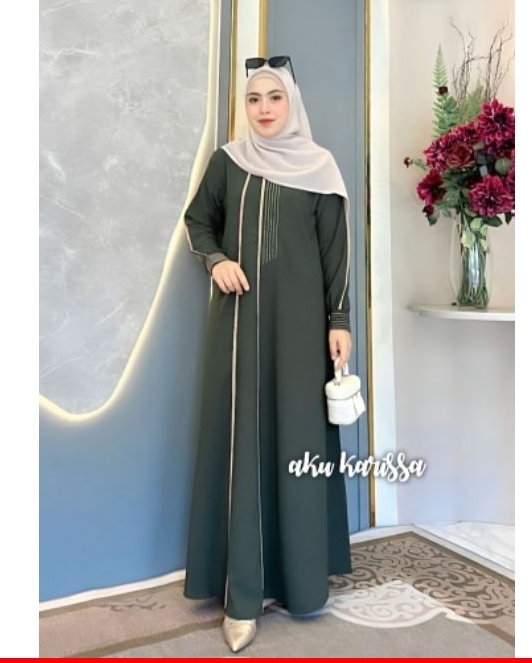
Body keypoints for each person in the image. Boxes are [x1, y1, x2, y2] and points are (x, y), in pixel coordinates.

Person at [182, 56, 353, 652]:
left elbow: (336, 253)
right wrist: (217, 260)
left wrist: (339, 321)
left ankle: (301, 581)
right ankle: (242, 596)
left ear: (292, 103)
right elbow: (198, 223)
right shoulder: (228, 163)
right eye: (253, 99)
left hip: (302, 333)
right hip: (239, 326)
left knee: (298, 444)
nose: (263, 109)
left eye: (274, 97)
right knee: (243, 444)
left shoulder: (320, 167)